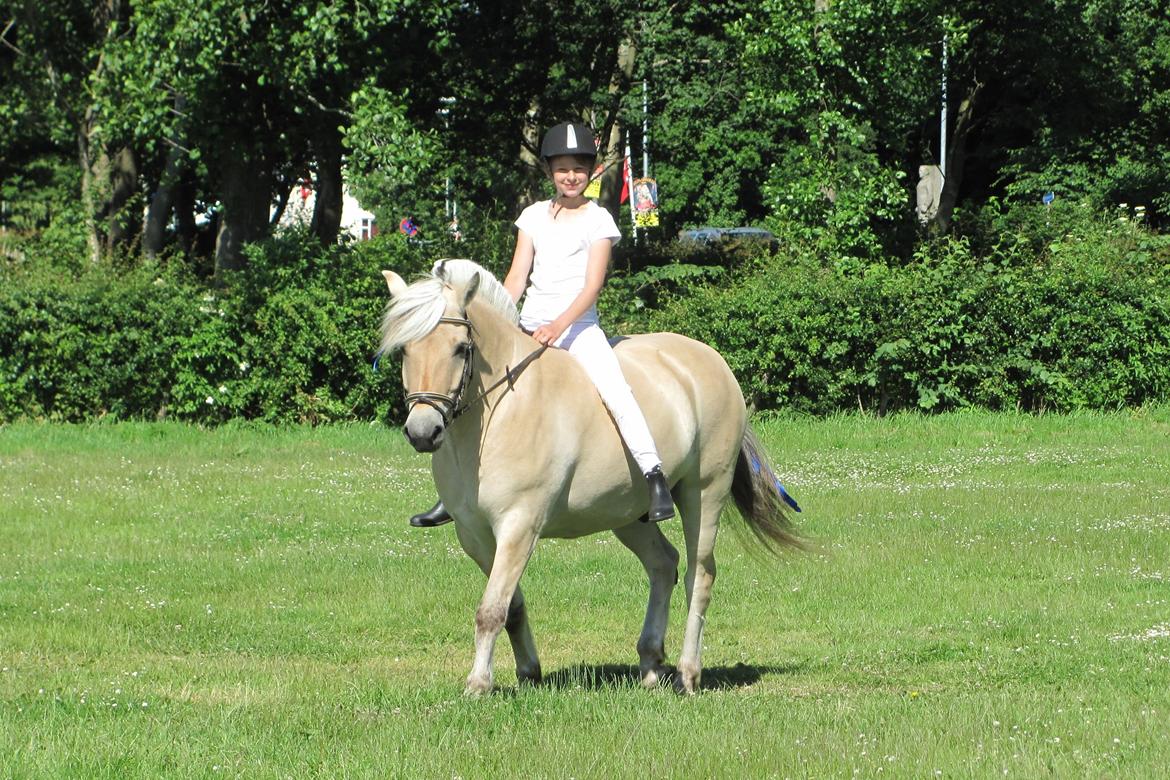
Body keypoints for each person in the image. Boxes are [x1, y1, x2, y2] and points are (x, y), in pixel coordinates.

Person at [409, 121, 674, 528]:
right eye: (563, 169)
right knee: (473, 390)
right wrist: (497, 320)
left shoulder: (598, 220)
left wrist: (558, 325)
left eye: (579, 169)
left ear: (591, 171)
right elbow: (516, 278)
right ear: (550, 171)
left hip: (579, 328)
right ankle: (454, 493)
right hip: (528, 324)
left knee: (615, 389)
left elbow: (592, 286)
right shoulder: (532, 216)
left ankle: (654, 475)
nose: (571, 177)